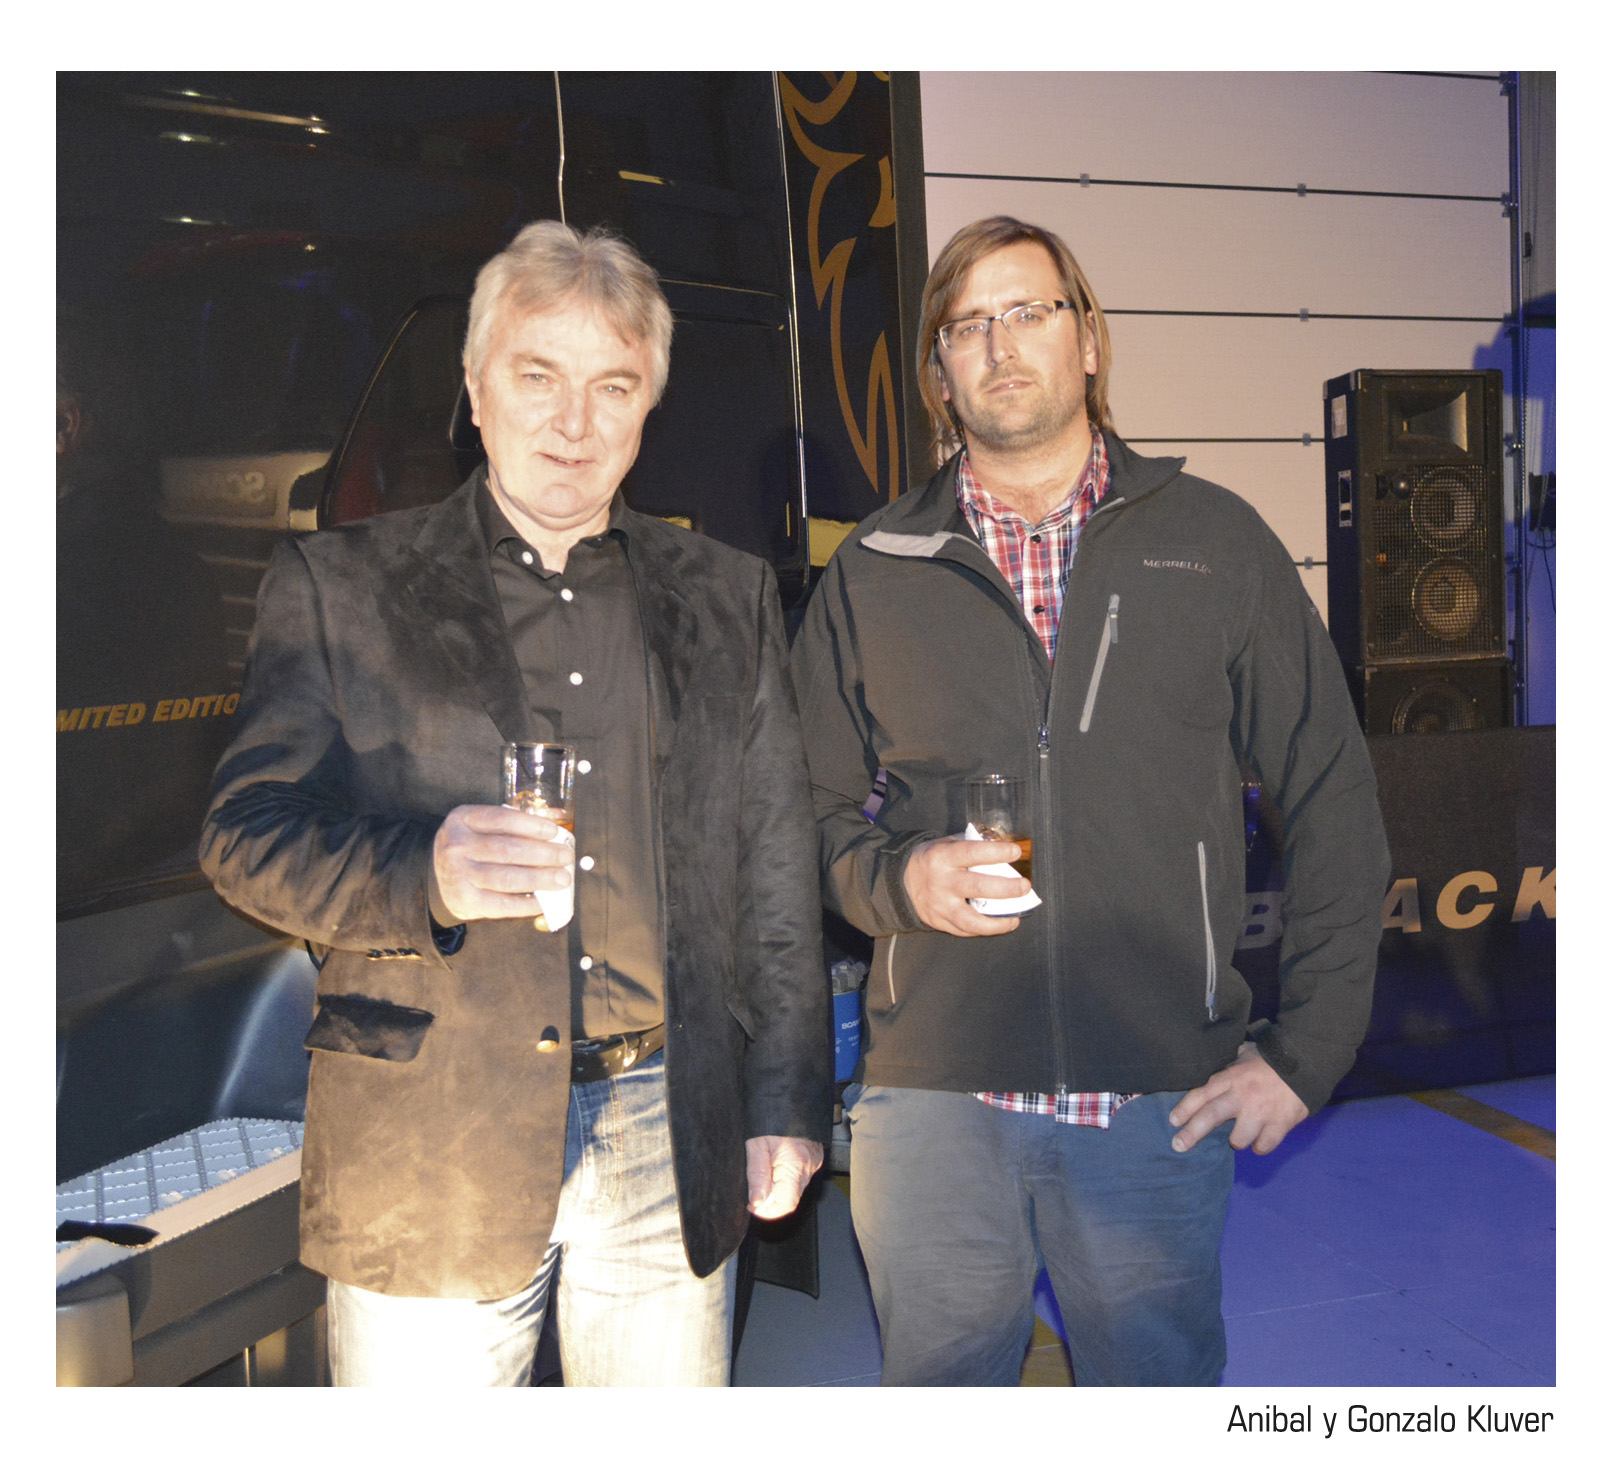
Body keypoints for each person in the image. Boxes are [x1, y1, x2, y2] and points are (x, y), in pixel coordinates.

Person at [201, 220, 830, 1387]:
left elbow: (774, 864)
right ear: (475, 387)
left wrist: (787, 1100)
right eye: (538, 376)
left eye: (612, 387)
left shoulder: (724, 595)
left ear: (648, 407)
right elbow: (244, 837)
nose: (573, 423)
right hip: (430, 1139)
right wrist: (425, 871)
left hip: (662, 1128)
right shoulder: (341, 584)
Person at [790, 215, 1390, 1386]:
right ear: (937, 372)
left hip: (1155, 1097)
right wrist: (895, 881)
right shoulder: (873, 568)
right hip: (934, 1104)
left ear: (1088, 340)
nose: (998, 344)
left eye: (1028, 311)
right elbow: (797, 817)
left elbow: (1331, 796)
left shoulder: (1214, 543)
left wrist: (1306, 1052)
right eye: (966, 325)